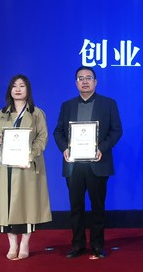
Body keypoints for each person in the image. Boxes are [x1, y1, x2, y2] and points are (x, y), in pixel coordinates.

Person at [52, 67, 123, 260]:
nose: (85, 81)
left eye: (88, 78)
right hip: (73, 164)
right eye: (80, 78)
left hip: (98, 163)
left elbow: (117, 131)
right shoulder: (67, 105)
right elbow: (58, 132)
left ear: (95, 82)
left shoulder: (108, 103)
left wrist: (102, 148)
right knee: (76, 208)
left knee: (98, 207)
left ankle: (98, 245)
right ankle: (77, 244)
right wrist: (65, 148)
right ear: (75, 83)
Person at [0, 74, 52, 260]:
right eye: (14, 86)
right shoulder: (2, 113)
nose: (17, 89)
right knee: (7, 203)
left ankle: (25, 243)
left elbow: (42, 137)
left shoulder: (36, 113)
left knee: (27, 204)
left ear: (28, 90)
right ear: (10, 90)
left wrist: (31, 153)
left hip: (27, 165)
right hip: (6, 166)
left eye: (22, 86)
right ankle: (12, 244)